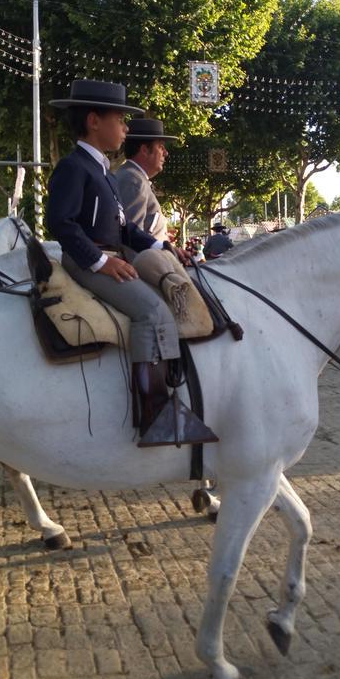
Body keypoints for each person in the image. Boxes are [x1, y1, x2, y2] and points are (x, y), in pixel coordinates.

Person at [47, 79, 217, 448]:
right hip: (86, 261)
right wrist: (99, 263)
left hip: (110, 255)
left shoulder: (105, 172)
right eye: (120, 118)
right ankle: (153, 414)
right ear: (94, 120)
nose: (126, 127)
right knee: (153, 311)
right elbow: (61, 222)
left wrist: (165, 247)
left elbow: (127, 230)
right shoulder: (74, 167)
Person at [115, 118, 177, 242]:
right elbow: (131, 240)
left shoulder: (133, 177)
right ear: (144, 150)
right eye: (160, 147)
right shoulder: (133, 180)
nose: (165, 153)